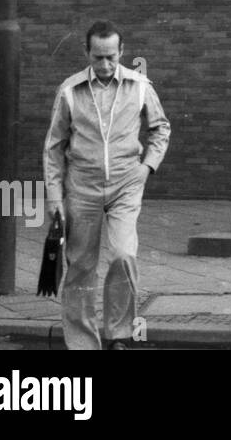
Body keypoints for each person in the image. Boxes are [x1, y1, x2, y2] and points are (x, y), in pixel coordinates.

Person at [43, 21, 170, 350]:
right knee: (81, 266)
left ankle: (118, 334)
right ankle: (83, 342)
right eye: (97, 57)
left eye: (111, 57)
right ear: (86, 53)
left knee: (123, 256)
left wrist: (147, 167)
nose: (104, 65)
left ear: (122, 52)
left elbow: (160, 129)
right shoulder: (70, 91)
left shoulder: (140, 86)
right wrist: (54, 199)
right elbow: (54, 147)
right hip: (82, 186)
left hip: (126, 183)